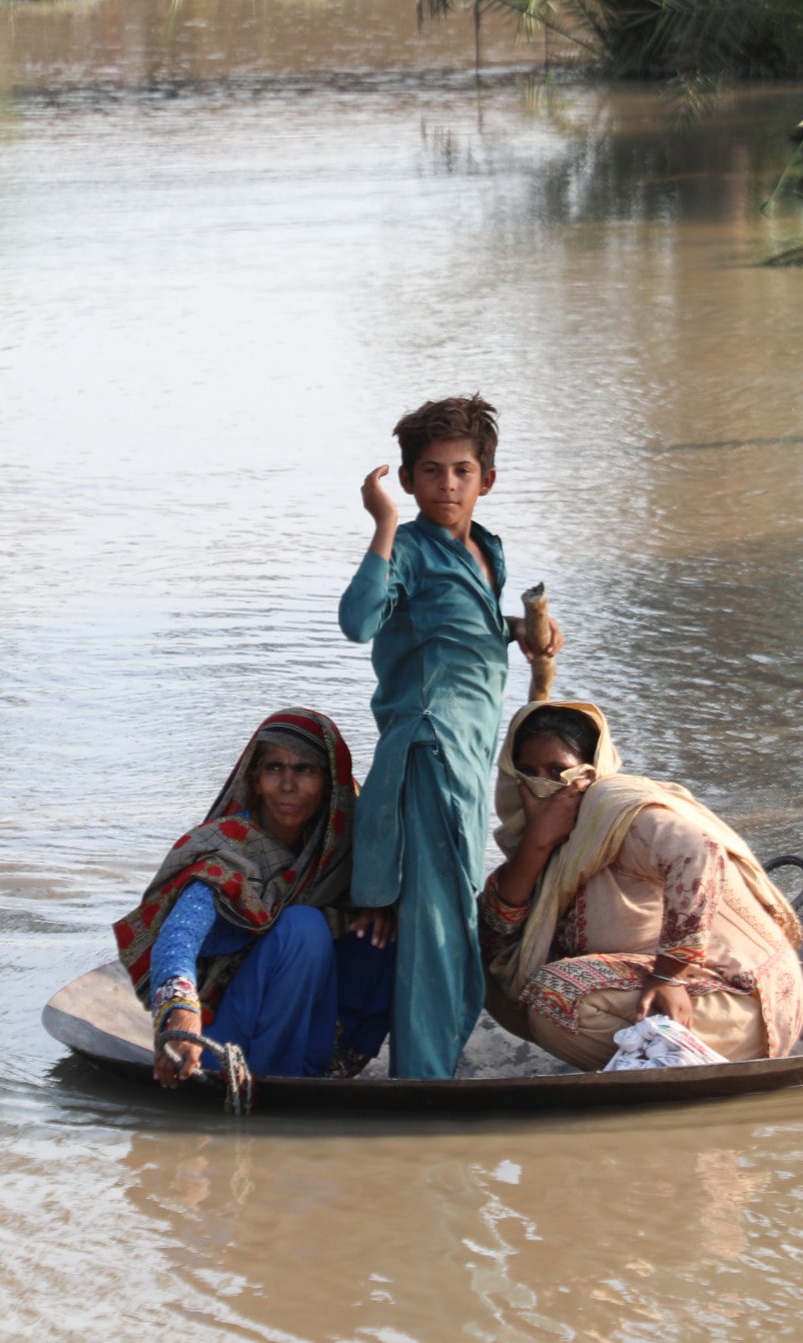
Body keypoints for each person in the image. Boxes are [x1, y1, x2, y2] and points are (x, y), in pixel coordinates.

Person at [338, 394, 562, 1079]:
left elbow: (458, 631)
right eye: (430, 472)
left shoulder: (484, 547)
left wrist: (517, 633)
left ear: (485, 479)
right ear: (407, 480)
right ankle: (423, 1082)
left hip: (467, 766)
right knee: (438, 933)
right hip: (429, 757)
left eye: (461, 470)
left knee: (451, 920)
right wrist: (382, 523)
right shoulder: (406, 547)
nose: (446, 485)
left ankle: (427, 1065)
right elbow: (358, 619)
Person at [480, 700, 803, 1070]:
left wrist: (670, 975)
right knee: (480, 963)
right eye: (528, 772)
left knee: (555, 996)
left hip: (740, 1000)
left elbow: (698, 852)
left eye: (558, 771)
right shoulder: (551, 837)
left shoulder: (615, 808)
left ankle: (669, 1064)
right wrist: (537, 842)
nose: (543, 786)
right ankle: (643, 1056)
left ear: (592, 769)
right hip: (655, 983)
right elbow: (496, 932)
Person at [110, 709, 398, 1086]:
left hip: (304, 1025)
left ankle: (333, 1064)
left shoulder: (341, 852)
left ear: (330, 784)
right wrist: (180, 1013)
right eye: (274, 768)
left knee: (386, 925)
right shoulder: (228, 849)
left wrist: (385, 909)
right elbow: (178, 936)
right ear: (256, 780)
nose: (288, 785)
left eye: (305, 770)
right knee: (303, 926)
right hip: (223, 1040)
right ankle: (276, 1080)